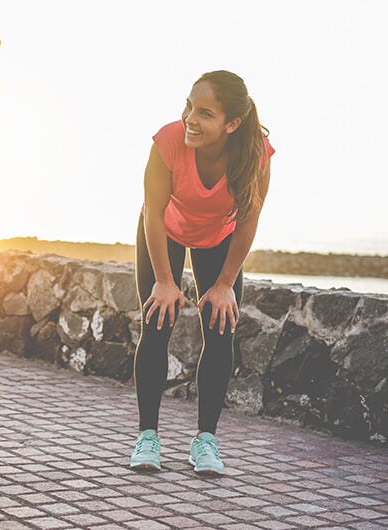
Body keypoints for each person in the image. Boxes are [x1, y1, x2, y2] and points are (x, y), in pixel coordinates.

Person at [130, 70, 274, 475]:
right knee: (156, 323)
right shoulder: (169, 140)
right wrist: (164, 280)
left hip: (220, 239)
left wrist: (225, 284)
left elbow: (248, 219)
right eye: (189, 106)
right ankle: (148, 436)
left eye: (205, 113)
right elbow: (153, 215)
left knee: (221, 328)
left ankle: (205, 440)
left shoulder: (255, 153)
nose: (190, 118)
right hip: (164, 232)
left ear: (232, 124)